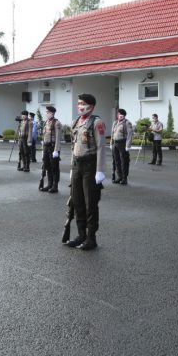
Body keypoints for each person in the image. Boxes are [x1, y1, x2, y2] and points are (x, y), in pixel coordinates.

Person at [65, 93, 106, 251]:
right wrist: (71, 167)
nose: (80, 106)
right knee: (77, 201)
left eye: (83, 103)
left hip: (90, 165)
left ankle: (91, 238)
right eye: (79, 103)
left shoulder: (96, 122)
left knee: (90, 203)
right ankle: (81, 234)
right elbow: (73, 146)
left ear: (91, 105)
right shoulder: (75, 122)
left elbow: (102, 146)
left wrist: (100, 170)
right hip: (77, 165)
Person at [40, 105, 62, 193]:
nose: (46, 114)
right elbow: (44, 136)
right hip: (46, 147)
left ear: (52, 113)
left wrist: (56, 150)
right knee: (47, 166)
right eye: (46, 112)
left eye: (48, 112)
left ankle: (55, 186)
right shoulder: (46, 122)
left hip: (53, 148)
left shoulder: (57, 123)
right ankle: (49, 184)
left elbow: (58, 138)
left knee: (54, 167)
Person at [110, 108, 133, 185]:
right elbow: (112, 134)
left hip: (123, 143)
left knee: (124, 161)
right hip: (115, 143)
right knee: (116, 161)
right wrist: (111, 143)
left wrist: (128, 145)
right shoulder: (115, 123)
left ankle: (124, 178)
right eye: (118, 114)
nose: (118, 115)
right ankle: (119, 176)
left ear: (123, 115)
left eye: (120, 114)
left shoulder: (127, 123)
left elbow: (130, 134)